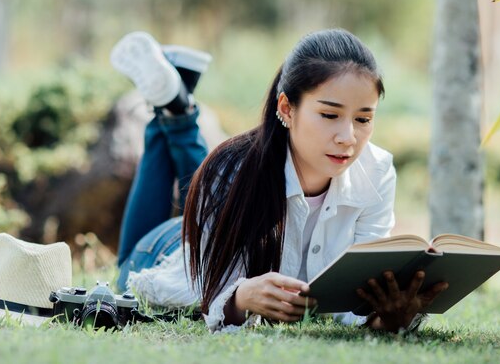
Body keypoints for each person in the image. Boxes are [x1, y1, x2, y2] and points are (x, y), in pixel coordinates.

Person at [111, 29, 449, 333]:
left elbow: (358, 297)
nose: (348, 137)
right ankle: (172, 110)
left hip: (218, 215)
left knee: (227, 172)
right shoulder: (230, 174)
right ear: (286, 108)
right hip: (167, 252)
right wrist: (241, 297)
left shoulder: (377, 172)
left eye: (364, 118)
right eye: (330, 115)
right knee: (127, 261)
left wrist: (387, 315)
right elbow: (216, 294)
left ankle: (175, 104)